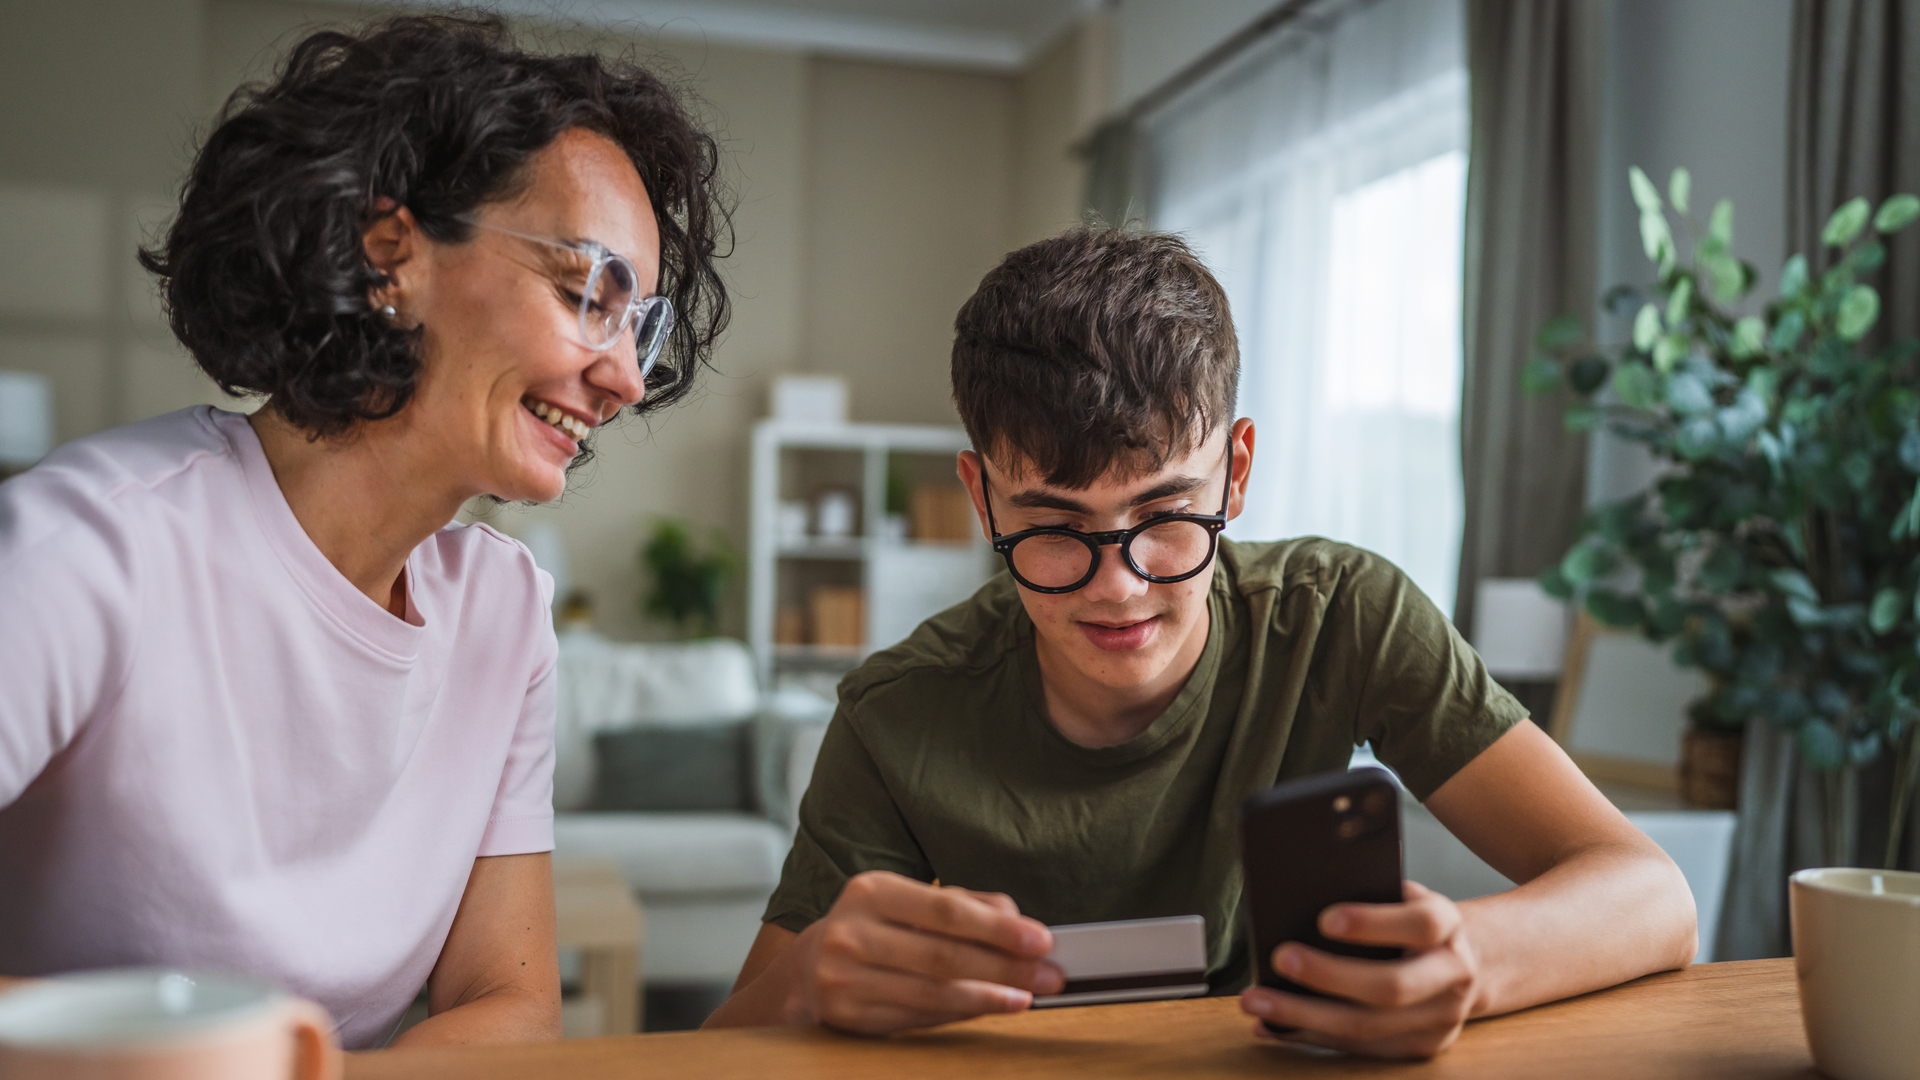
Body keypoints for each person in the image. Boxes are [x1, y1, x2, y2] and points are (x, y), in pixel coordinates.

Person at [703, 227, 1696, 1058]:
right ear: (980, 497)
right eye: (1052, 525)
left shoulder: (1339, 613)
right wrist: (806, 983)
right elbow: (715, 1053)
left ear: (1236, 473)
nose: (1117, 586)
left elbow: (1654, 897)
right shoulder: (897, 713)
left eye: (1165, 514)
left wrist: (1467, 961)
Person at [0, 15, 728, 1050]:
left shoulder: (504, 615)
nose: (625, 379)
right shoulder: (91, 548)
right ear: (391, 255)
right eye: (585, 296)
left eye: (641, 329)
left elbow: (510, 1003)